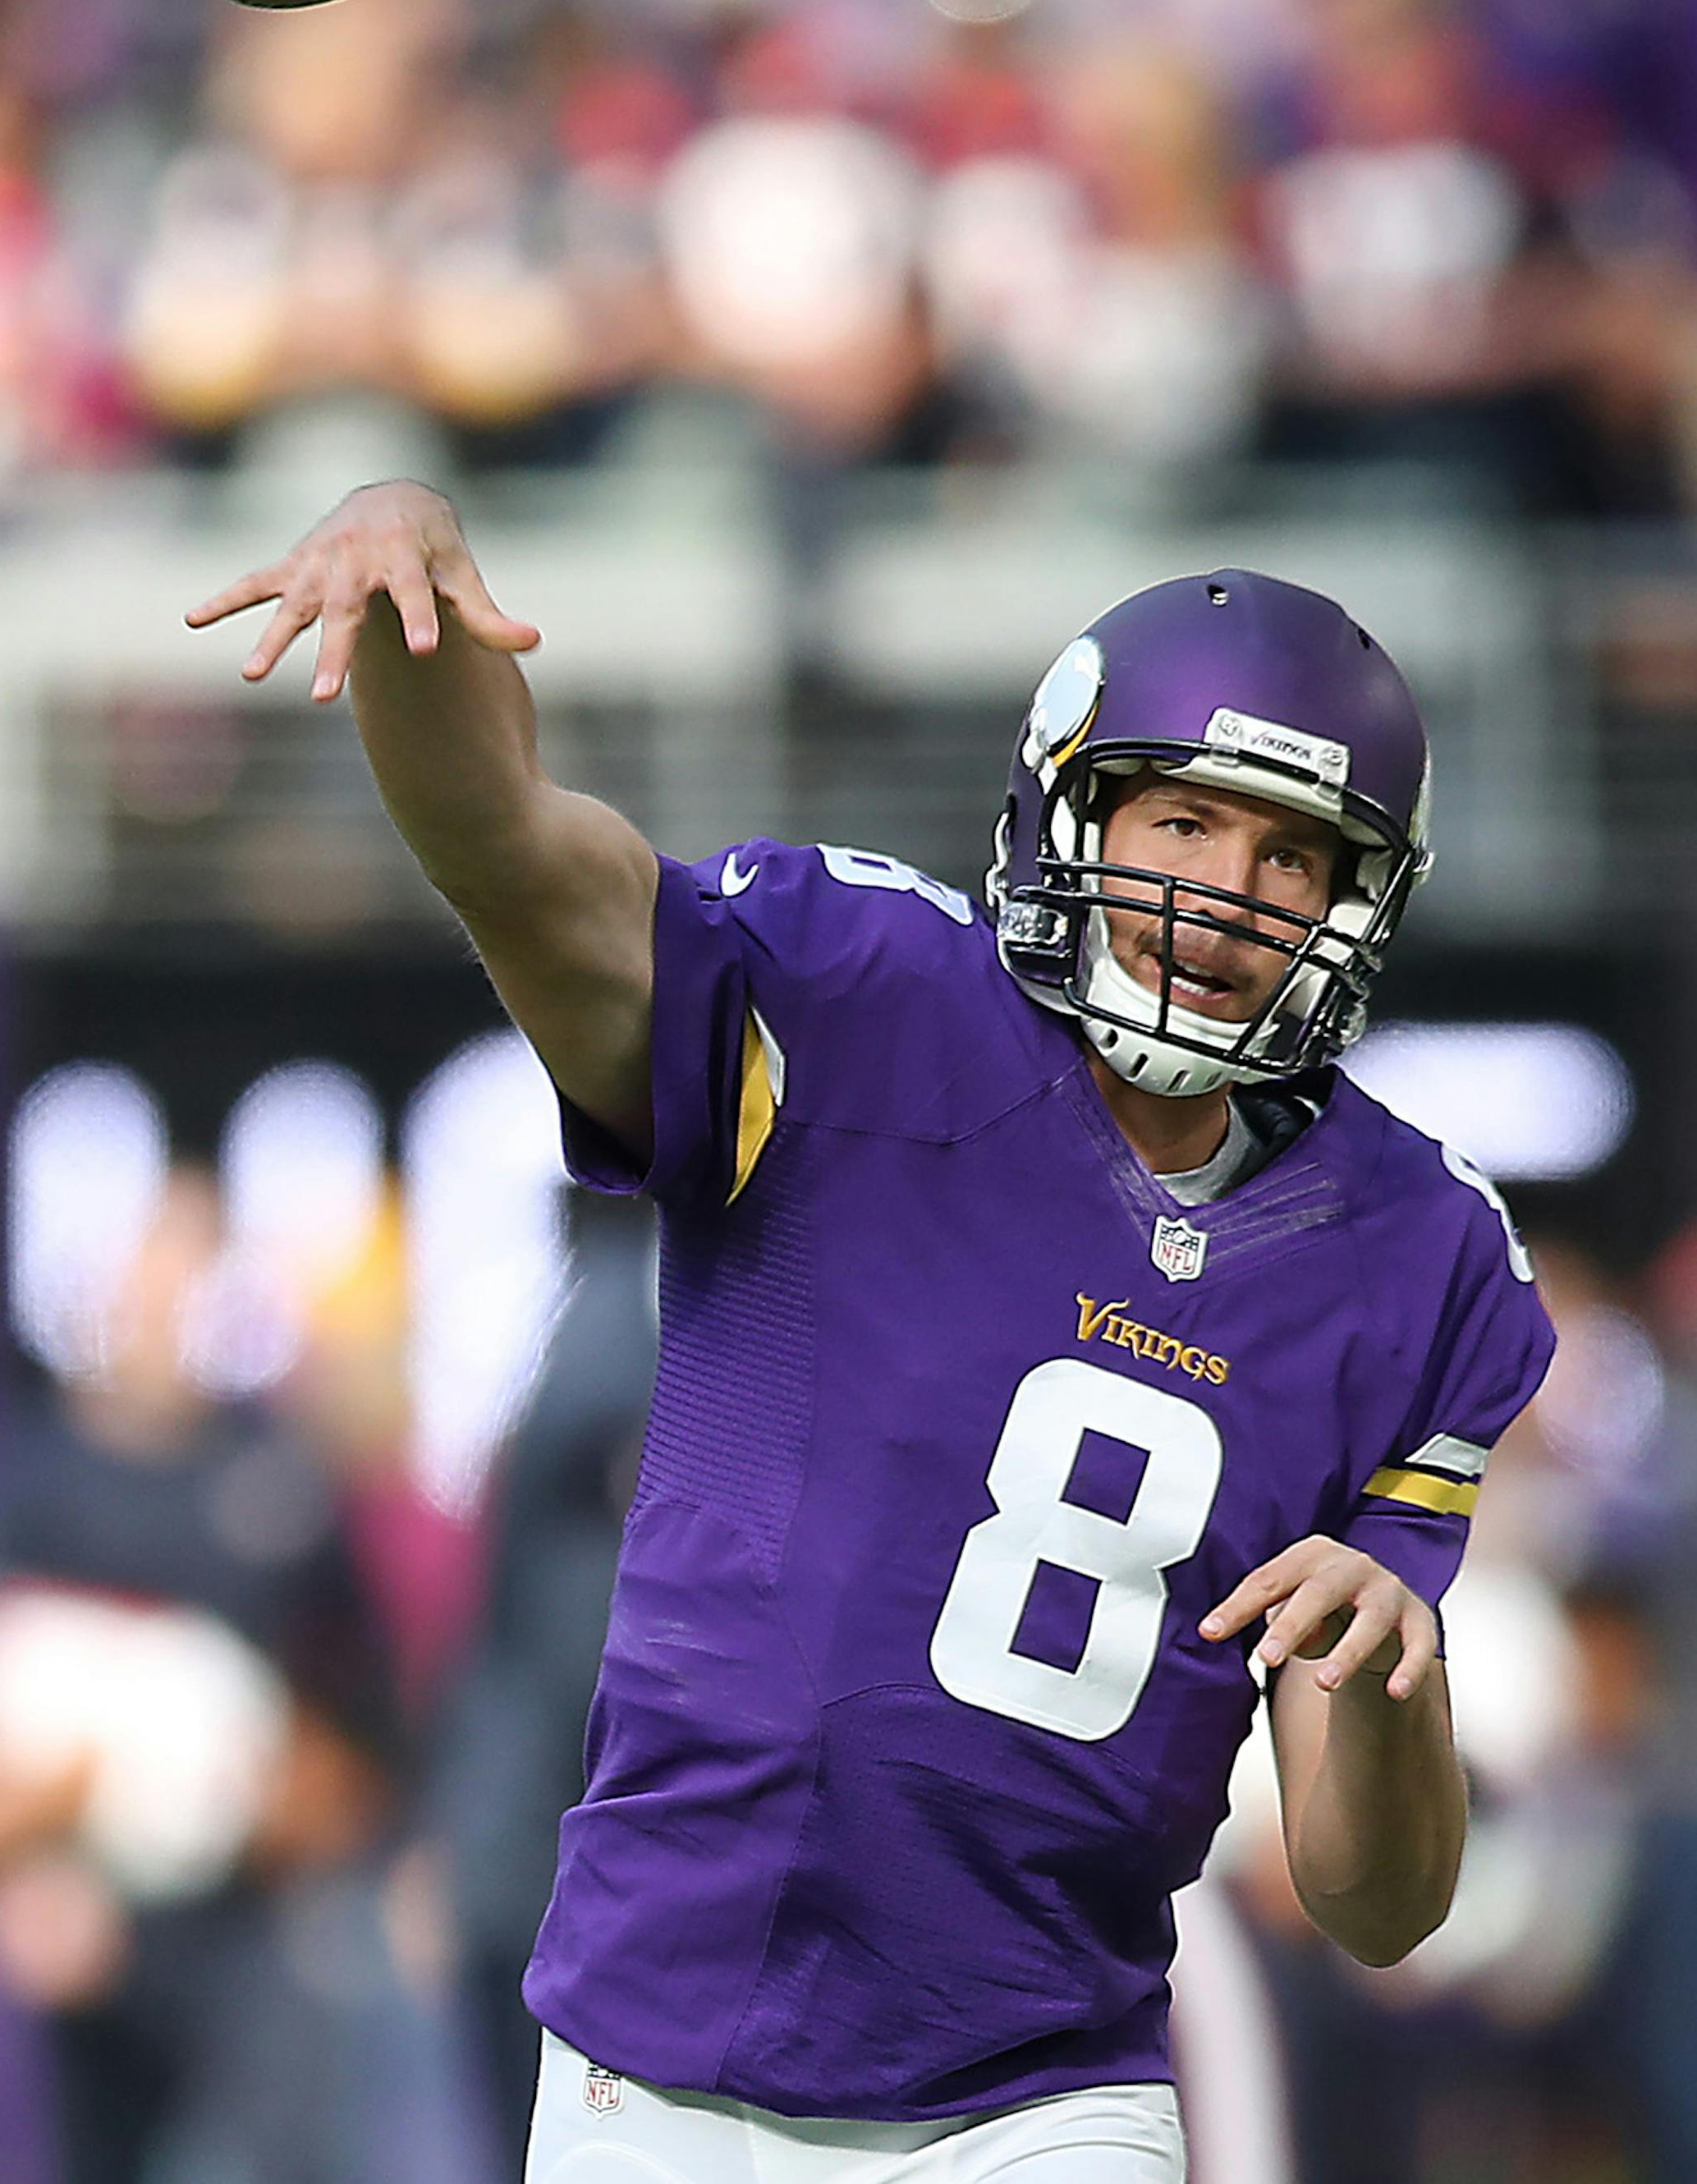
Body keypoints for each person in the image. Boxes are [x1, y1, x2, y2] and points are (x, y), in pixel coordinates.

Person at [190, 484, 1555, 2182]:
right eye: (1186, 825)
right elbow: (520, 855)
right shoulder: (856, 994)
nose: (1232, 894)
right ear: (1071, 809)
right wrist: (410, 638)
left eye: (1296, 854)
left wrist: (1389, 1681)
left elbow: (1377, 1900)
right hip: (663, 2042)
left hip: (1046, 2086)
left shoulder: (1422, 1257)